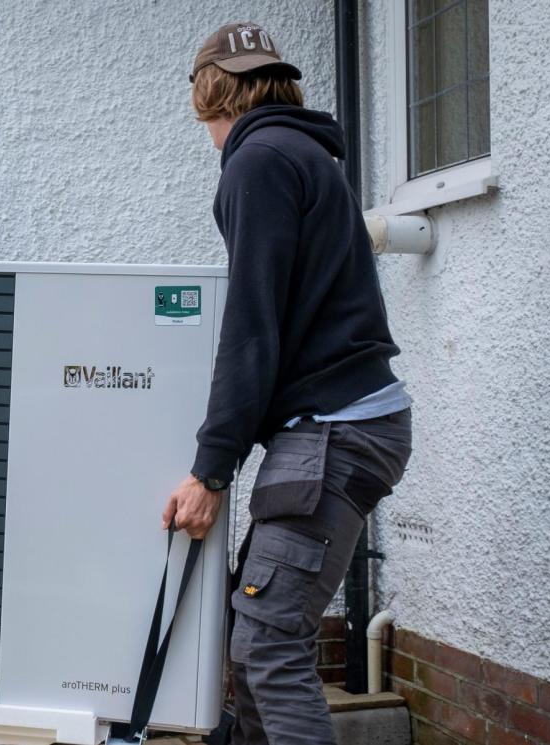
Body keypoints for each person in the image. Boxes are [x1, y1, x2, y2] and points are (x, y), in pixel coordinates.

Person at [160, 22, 414, 745]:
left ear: (210, 91)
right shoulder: (299, 152)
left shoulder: (259, 160)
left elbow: (252, 325)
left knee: (269, 647)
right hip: (344, 426)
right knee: (254, 639)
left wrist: (211, 470)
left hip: (334, 431)